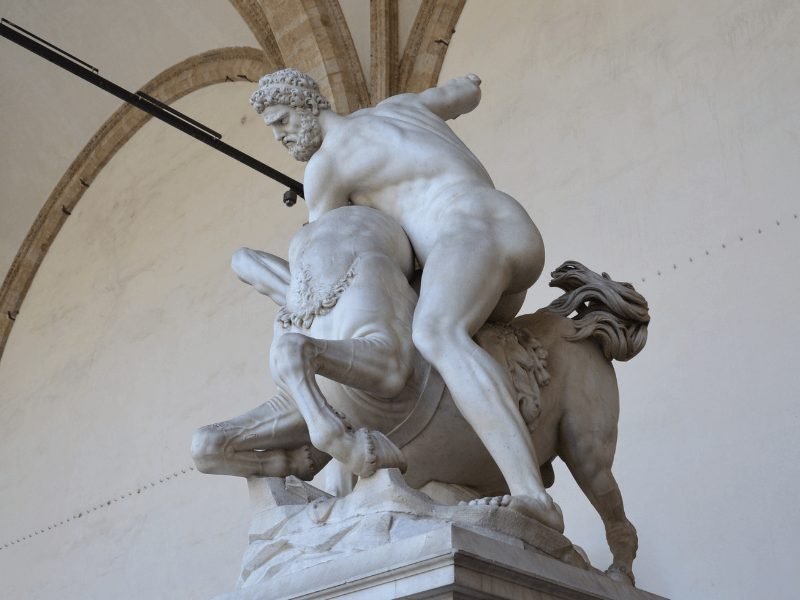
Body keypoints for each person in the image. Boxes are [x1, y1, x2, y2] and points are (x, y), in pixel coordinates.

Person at [249, 69, 563, 531]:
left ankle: (531, 494)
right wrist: (467, 87)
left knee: (436, 333)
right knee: (459, 338)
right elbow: (464, 92)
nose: (280, 136)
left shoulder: (325, 167)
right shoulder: (398, 107)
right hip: (508, 223)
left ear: (307, 104)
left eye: (281, 121)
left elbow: (332, 252)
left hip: (464, 233)